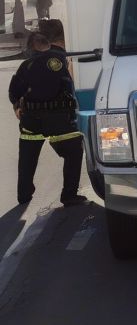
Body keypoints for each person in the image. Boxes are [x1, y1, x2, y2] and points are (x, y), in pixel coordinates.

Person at [9, 32, 86, 207]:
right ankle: (69, 195)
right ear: (48, 45)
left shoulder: (26, 65)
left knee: (27, 158)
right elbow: (70, 86)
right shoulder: (60, 61)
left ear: (30, 48)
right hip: (60, 121)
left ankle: (24, 195)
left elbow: (14, 92)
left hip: (31, 120)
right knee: (73, 152)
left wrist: (17, 107)